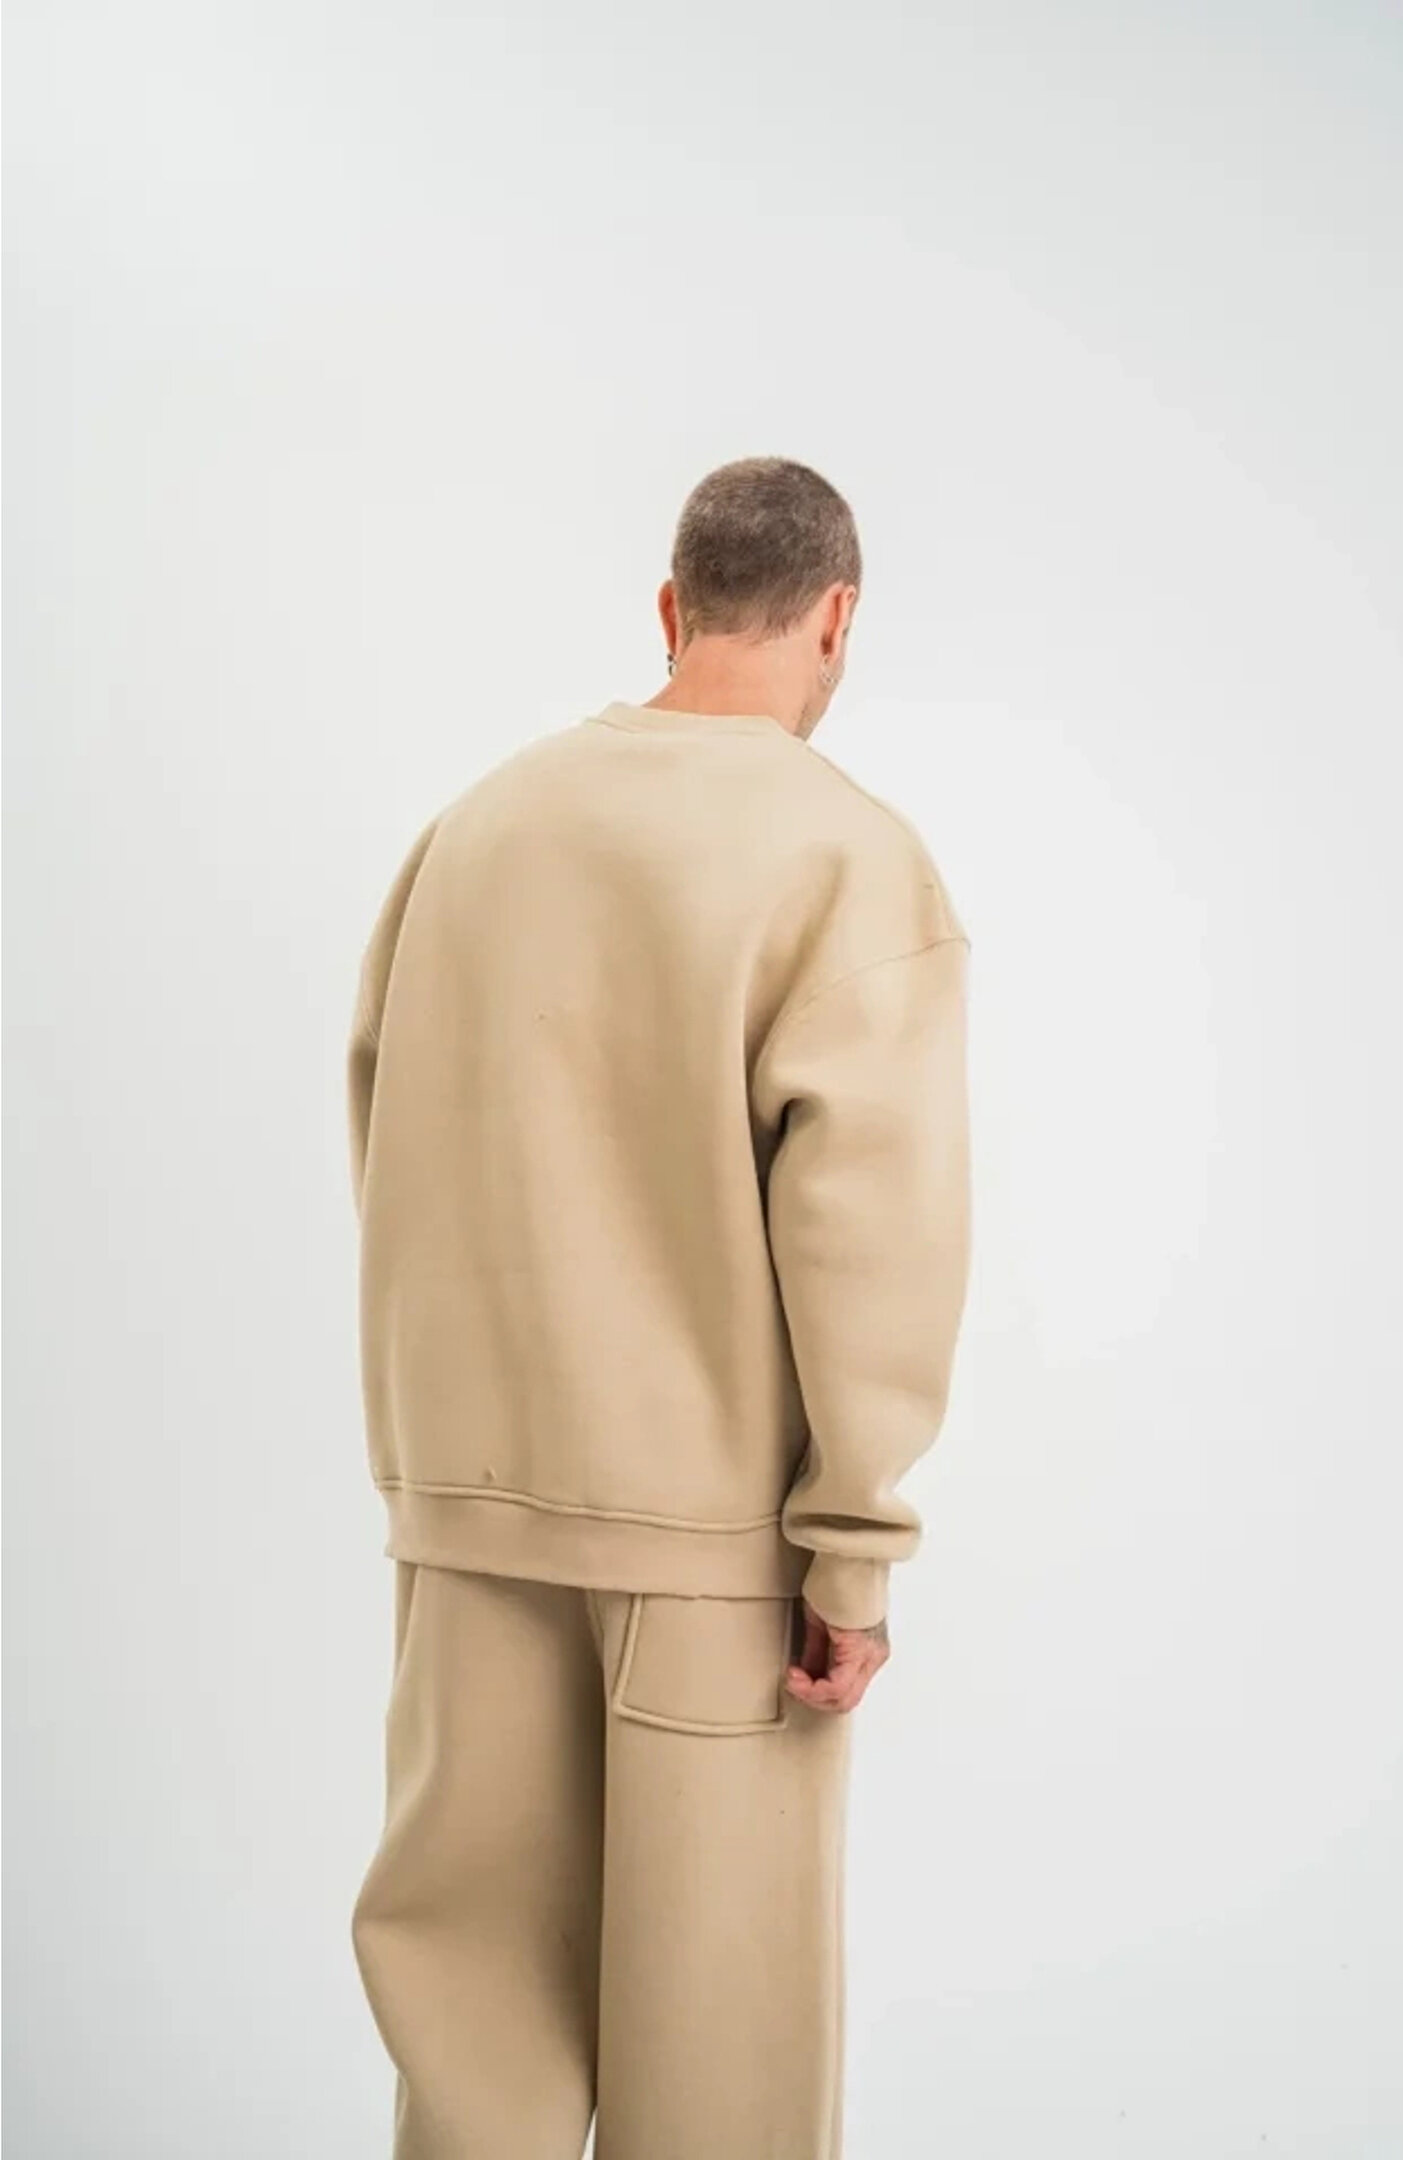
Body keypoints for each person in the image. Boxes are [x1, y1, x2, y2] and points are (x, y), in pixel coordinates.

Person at [347, 455, 973, 2159]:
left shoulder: (474, 832)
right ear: (836, 619)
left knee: (471, 2060)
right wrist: (852, 1554)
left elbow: (388, 1137)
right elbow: (872, 1235)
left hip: (467, 1531)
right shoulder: (843, 858)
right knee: (719, 2078)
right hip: (716, 1574)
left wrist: (445, 1458)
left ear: (671, 606)